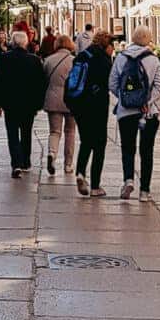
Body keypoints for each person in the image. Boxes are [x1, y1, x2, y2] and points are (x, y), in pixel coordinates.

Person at [110, 25, 160, 201]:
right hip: (149, 112)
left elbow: (113, 83)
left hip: (126, 112)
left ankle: (128, 179)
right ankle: (145, 190)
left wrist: (124, 99)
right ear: (148, 39)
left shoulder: (121, 58)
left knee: (128, 148)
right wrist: (147, 101)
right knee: (147, 151)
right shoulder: (153, 60)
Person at [0, 30, 47, 178]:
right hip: (28, 104)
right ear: (26, 42)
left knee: (12, 133)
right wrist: (39, 103)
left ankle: (16, 163)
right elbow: (41, 84)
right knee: (26, 132)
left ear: (12, 43)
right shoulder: (34, 60)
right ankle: (26, 161)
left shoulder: (5, 58)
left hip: (11, 103)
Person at [66, 31, 113, 196]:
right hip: (98, 105)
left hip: (79, 104)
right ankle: (95, 186)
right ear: (106, 45)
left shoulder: (82, 55)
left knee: (86, 140)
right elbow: (111, 83)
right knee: (99, 144)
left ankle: (80, 172)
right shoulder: (104, 61)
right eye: (111, 46)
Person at [42, 33, 77, 177]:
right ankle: (68, 164)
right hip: (72, 100)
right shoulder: (75, 61)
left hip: (53, 98)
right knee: (70, 132)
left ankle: (52, 153)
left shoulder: (49, 60)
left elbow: (43, 79)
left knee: (55, 131)